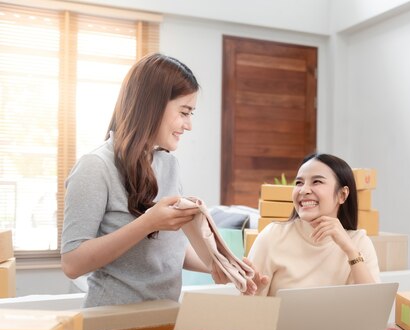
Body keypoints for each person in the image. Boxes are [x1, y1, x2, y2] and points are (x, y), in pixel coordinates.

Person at [61, 53, 261, 307]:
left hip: (164, 315)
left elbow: (171, 249)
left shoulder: (169, 165)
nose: (188, 125)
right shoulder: (95, 167)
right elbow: (72, 263)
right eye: (184, 112)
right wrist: (147, 223)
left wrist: (221, 267)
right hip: (111, 320)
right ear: (152, 106)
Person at [248, 153, 380, 297]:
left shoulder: (359, 242)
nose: (304, 190)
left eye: (317, 181)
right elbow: (246, 310)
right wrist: (253, 291)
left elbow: (372, 305)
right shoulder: (273, 236)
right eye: (299, 183)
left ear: (342, 195)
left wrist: (350, 251)